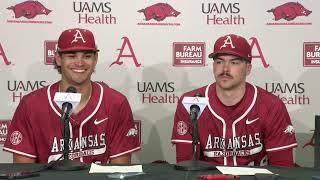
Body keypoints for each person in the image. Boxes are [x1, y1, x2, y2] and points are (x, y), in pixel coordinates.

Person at [3, 28, 140, 164]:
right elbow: (24, 172)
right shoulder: (31, 105)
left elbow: (120, 170)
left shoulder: (116, 103)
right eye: (71, 56)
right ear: (58, 58)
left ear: (95, 59)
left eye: (87, 56)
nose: (80, 63)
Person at [171, 34, 297, 167]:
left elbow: (282, 167)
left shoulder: (271, 105)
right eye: (219, 62)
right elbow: (185, 165)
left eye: (234, 62)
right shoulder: (191, 102)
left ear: (248, 68)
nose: (225, 69)